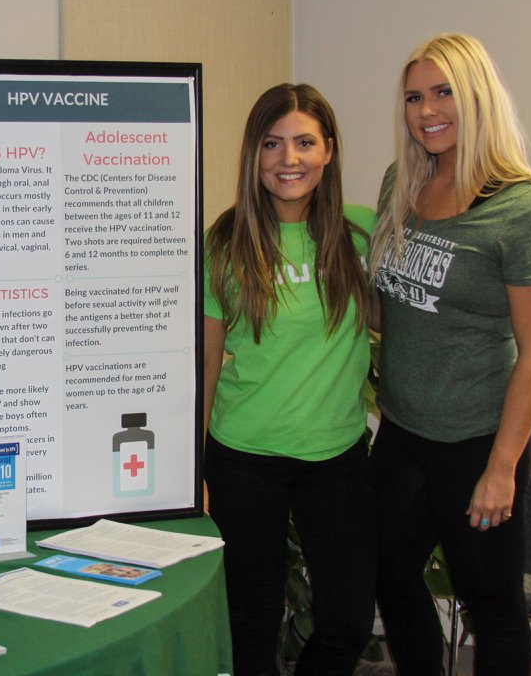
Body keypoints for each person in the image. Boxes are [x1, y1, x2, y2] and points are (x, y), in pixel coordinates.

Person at [369, 33, 531, 675]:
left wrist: (502, 467)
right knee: (390, 575)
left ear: (478, 95)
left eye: (444, 91)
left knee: (493, 606)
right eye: (414, 97)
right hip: (401, 433)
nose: (427, 110)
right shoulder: (403, 183)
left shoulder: (525, 211)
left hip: (479, 442)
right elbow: (389, 307)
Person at [203, 83, 376, 676]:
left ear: (329, 150)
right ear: (254, 153)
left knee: (350, 622)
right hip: (244, 455)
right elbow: (206, 360)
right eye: (272, 144)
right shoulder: (226, 242)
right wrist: (193, 466)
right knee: (250, 622)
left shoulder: (361, 234)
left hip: (338, 456)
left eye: (305, 142)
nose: (289, 159)